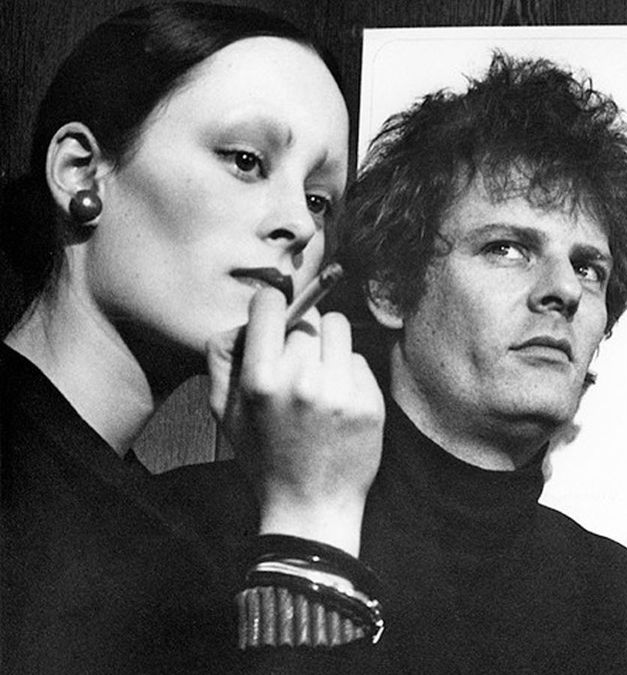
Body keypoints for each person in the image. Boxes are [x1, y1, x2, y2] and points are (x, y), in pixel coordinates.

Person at [175, 52, 627, 672]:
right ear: (391, 290)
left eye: (589, 267)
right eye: (507, 248)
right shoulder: (187, 534)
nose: (564, 289)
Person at [1, 4, 384, 671]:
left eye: (320, 199)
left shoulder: (150, 531)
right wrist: (311, 525)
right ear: (81, 172)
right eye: (246, 160)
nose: (300, 225)